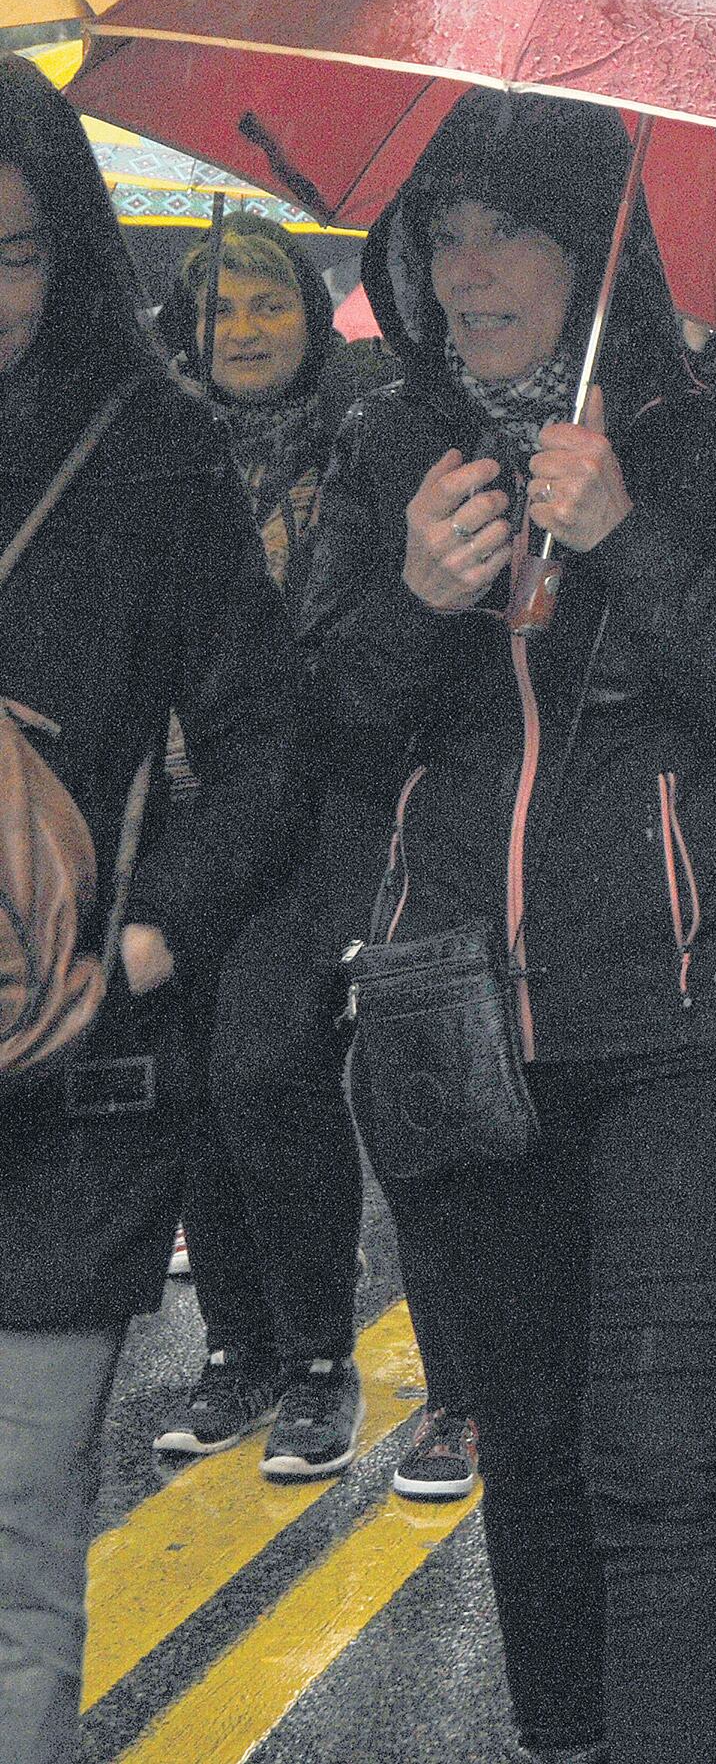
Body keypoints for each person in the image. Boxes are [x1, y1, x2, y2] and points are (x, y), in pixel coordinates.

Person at [299, 91, 716, 1764]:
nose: (463, 272)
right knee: (529, 1456)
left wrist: (629, 540)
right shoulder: (390, 441)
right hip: (463, 1032)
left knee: (654, 1467)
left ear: (597, 241)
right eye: (437, 232)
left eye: (505, 232)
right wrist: (412, 602)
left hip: (705, 1026)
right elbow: (319, 736)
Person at [0, 56, 299, 1764]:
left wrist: (143, 941)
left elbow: (268, 746)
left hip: (66, 1091)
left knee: (22, 1551)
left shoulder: (156, 458)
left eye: (20, 254)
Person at [144, 214, 394, 1485]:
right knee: (182, 1079)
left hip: (314, 817)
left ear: (308, 315)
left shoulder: (359, 445)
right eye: (216, 312)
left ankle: (314, 1360)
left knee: (261, 1064)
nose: (240, 333)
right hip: (179, 818)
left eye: (264, 307)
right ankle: (235, 1346)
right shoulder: (149, 455)